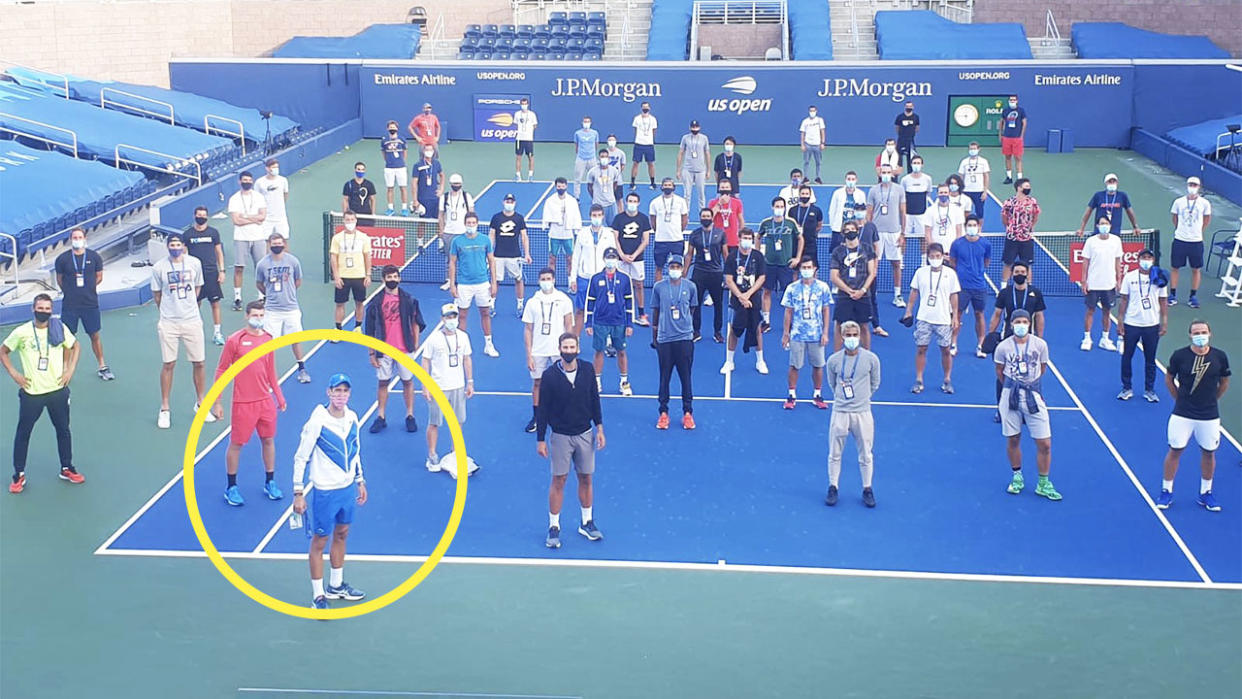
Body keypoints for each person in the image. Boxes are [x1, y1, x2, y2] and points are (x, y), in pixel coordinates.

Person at [291, 373, 369, 610]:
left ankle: (336, 585)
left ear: (349, 394)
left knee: (342, 533)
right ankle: (318, 596)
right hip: (325, 492)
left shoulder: (353, 417)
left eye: (345, 391)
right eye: (337, 391)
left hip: (346, 490)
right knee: (320, 541)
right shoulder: (317, 422)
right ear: (329, 393)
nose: (341, 396)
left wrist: (360, 480)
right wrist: (298, 492)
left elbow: (355, 451)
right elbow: (301, 457)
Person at [2, 294, 84, 493]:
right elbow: (3, 351)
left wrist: (70, 369)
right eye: (41, 308)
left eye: (48, 309)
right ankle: (18, 474)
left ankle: (66, 468)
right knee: (24, 433)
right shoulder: (22, 332)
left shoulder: (58, 328)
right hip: (32, 393)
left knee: (63, 430)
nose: (44, 312)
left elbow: (75, 346)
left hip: (57, 391)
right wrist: (15, 374)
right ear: (33, 309)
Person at [212, 300, 287, 506]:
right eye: (255, 315)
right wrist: (217, 402)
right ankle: (231, 487)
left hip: (265, 401)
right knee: (236, 444)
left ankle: (270, 482)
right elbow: (221, 370)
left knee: (268, 440)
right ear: (247, 316)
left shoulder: (269, 339)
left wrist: (279, 397)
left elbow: (270, 371)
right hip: (243, 403)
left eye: (262, 316)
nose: (259, 319)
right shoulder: (234, 340)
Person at [536, 333, 606, 548]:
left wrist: (600, 428)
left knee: (586, 478)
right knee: (559, 481)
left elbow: (594, 399)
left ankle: (587, 522)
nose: (568, 351)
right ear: (560, 349)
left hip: (585, 434)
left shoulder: (587, 370)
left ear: (577, 348)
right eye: (565, 347)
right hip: (560, 437)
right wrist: (541, 439)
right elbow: (543, 409)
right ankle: (554, 526)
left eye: (572, 347)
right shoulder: (549, 376)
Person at [1157, 320, 1230, 512]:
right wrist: (1179, 399)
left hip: (1209, 416)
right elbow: (1169, 379)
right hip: (1182, 414)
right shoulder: (1179, 356)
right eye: (1196, 332)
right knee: (1175, 451)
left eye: (1203, 331)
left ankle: (1206, 493)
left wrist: (1213, 400)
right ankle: (1166, 491)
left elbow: (1224, 382)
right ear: (1190, 335)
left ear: (1210, 334)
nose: (1200, 335)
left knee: (1208, 453)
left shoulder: (1220, 357)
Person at [994, 310, 1059, 500]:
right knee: (1013, 439)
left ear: (1029, 324)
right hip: (1010, 396)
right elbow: (999, 371)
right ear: (1012, 324)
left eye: (1024, 321)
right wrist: (1014, 385)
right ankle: (1017, 477)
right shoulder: (1003, 347)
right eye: (1017, 322)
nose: (1021, 325)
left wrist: (1029, 385)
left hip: (1033, 395)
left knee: (1045, 443)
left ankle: (1043, 483)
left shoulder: (1040, 345)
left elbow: (1042, 368)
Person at [151, 233, 210, 429]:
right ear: (168, 247)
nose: (175, 247)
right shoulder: (159, 268)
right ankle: (165, 408)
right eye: (172, 244)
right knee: (169, 364)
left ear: (183, 246)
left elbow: (198, 287)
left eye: (178, 244)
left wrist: (188, 306)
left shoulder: (195, 263)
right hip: (169, 322)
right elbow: (157, 294)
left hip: (192, 320)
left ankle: (201, 403)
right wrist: (168, 311)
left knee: (199, 362)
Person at [824, 320, 881, 508]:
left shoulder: (871, 359)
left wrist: (862, 399)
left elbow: (875, 383)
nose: (851, 338)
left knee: (866, 453)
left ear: (860, 336)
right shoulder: (833, 361)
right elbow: (832, 384)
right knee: (834, 453)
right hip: (840, 412)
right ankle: (833, 486)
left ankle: (867, 488)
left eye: (854, 335)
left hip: (863, 413)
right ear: (842, 337)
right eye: (847, 335)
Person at [363, 265, 426, 434]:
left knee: (407, 381)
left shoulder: (409, 299)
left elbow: (416, 321)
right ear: (383, 280)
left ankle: (410, 416)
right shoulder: (376, 302)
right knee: (383, 382)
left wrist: (416, 342)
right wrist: (371, 353)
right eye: (389, 277)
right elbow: (369, 330)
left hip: (405, 348)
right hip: (383, 350)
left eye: (395, 277)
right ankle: (381, 416)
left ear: (399, 278)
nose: (392, 280)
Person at [420, 304, 478, 478]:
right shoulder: (433, 339)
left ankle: (455, 452)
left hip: (458, 386)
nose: (451, 320)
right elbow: (425, 361)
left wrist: (470, 382)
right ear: (442, 319)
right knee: (435, 422)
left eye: (454, 317)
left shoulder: (464, 337)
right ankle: (432, 455)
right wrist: (425, 386)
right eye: (448, 317)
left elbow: (467, 359)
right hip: (439, 387)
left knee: (458, 422)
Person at [987, 260, 1047, 422]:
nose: (1020, 275)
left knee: (1030, 375)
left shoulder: (1035, 293)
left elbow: (1040, 316)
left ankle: (1030, 407)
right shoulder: (1005, 293)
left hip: (1029, 341)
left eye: (1022, 272)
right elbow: (997, 315)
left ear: (1027, 274)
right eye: (1016, 272)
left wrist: (1039, 339)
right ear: (1012, 274)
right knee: (1004, 374)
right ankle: (1001, 409)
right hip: (1008, 339)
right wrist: (991, 334)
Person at [902, 242, 961, 394]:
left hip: (943, 319)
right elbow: (914, 293)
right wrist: (908, 310)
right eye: (932, 256)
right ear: (928, 257)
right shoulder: (920, 273)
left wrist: (955, 316)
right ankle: (919, 379)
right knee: (921, 348)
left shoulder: (950, 274)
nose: (935, 259)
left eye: (938, 256)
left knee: (946, 350)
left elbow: (953, 296)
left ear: (942, 256)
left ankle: (947, 380)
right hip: (924, 318)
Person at [54, 228, 112, 380]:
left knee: (94, 335)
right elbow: (60, 280)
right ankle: (64, 368)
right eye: (75, 237)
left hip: (90, 303)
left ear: (85, 238)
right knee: (67, 337)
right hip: (70, 305)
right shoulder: (62, 259)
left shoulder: (94, 257)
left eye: (80, 237)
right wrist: (70, 290)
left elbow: (99, 277)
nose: (77, 239)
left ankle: (102, 365)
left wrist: (88, 288)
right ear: (70, 239)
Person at [255, 232, 311, 383]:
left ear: (284, 244)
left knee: (296, 339)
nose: (277, 246)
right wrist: (270, 295)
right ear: (269, 245)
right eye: (274, 244)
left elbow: (297, 280)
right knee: (268, 344)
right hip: (272, 310)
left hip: (291, 308)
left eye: (280, 244)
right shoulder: (262, 264)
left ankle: (302, 369)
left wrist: (289, 293)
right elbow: (259, 283)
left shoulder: (293, 261)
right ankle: (267, 374)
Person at [523, 268, 575, 433]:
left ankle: (563, 414)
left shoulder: (564, 300)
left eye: (548, 278)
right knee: (537, 383)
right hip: (538, 350)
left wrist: (570, 350)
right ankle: (537, 417)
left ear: (554, 280)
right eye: (543, 279)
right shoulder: (532, 302)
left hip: (558, 349)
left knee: (563, 383)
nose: (546, 281)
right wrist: (529, 354)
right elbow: (528, 330)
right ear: (539, 281)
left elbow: (569, 325)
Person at [650, 254, 698, 430]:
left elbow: (692, 309)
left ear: (682, 268)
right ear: (668, 268)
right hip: (665, 340)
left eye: (678, 267)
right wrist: (654, 336)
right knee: (664, 378)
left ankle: (688, 413)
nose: (675, 270)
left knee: (686, 378)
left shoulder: (691, 287)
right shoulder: (658, 287)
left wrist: (684, 325)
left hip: (684, 339)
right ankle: (663, 413)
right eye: (672, 267)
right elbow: (655, 312)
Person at [1116, 249, 1169, 402]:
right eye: (1143, 257)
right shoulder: (1130, 277)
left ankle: (1149, 390)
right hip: (1132, 323)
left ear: (1153, 260)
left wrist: (1164, 322)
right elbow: (1124, 300)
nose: (1146, 260)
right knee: (1127, 357)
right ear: (1138, 259)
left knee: (1150, 359)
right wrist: (1120, 321)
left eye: (1149, 257)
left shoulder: (1159, 277)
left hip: (1151, 324)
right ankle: (1126, 387)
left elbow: (1163, 301)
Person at [781, 256, 833, 410]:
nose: (806, 270)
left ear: (815, 269)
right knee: (794, 365)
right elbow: (788, 312)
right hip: (797, 334)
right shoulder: (792, 288)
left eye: (809, 267)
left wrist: (825, 333)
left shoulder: (823, 287)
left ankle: (817, 394)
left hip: (816, 334)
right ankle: (791, 395)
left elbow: (826, 310)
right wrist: (786, 333)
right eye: (804, 268)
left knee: (818, 365)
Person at [448, 212, 499, 358]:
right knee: (462, 315)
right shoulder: (457, 242)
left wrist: (493, 283)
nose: (471, 225)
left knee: (485, 313)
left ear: (477, 224)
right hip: (464, 285)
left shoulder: (485, 240)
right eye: (468, 223)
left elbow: (491, 261)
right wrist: (452, 284)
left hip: (482, 283)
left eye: (473, 223)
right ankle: (461, 347)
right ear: (465, 224)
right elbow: (452, 263)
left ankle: (489, 345)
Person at [586, 249, 636, 396]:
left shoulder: (625, 278)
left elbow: (629, 301)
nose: (611, 260)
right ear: (604, 259)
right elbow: (590, 301)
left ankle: (624, 382)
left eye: (613, 257)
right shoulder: (595, 278)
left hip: (619, 321)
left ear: (617, 260)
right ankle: (596, 382)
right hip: (600, 321)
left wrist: (629, 324)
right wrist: (588, 324)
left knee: (621, 352)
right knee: (599, 351)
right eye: (609, 257)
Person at [721, 228, 768, 375]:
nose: (747, 240)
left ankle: (760, 361)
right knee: (734, 330)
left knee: (756, 329)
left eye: (749, 238)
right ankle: (729, 361)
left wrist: (748, 294)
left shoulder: (758, 256)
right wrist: (741, 296)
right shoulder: (732, 257)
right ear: (739, 238)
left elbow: (762, 278)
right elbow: (728, 279)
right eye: (744, 237)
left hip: (753, 299)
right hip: (736, 300)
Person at [569, 205, 618, 336]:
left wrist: (613, 276)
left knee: (606, 310)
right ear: (590, 216)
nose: (596, 218)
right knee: (580, 310)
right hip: (584, 277)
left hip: (603, 277)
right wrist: (573, 278)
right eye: (594, 215)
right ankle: (575, 340)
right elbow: (576, 257)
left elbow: (613, 257)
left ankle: (607, 340)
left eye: (599, 215)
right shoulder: (582, 233)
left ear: (603, 216)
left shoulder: (609, 234)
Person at [948, 216, 992, 358]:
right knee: (957, 314)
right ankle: (953, 343)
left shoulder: (985, 244)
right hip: (962, 287)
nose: (972, 227)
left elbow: (986, 262)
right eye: (969, 224)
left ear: (978, 226)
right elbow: (953, 262)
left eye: (974, 224)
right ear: (966, 226)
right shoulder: (957, 244)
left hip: (979, 286)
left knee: (979, 314)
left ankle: (981, 345)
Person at [758, 197, 802, 334]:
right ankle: (766, 321)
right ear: (772, 207)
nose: (779, 208)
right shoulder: (765, 223)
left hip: (785, 265)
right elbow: (758, 237)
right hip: (769, 264)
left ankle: (792, 323)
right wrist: (759, 254)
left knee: (789, 294)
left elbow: (800, 238)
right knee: (766, 292)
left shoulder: (790, 223)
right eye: (777, 206)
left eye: (781, 206)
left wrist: (798, 258)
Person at [830, 220, 876, 351]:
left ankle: (867, 356)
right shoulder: (838, 251)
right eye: (847, 230)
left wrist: (862, 290)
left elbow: (872, 273)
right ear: (843, 233)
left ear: (857, 231)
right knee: (839, 325)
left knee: (864, 326)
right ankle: (836, 357)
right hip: (844, 295)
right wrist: (849, 291)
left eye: (852, 229)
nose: (850, 232)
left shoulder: (867, 249)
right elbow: (834, 276)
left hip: (863, 295)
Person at [1079, 215, 1123, 352]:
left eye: (1106, 223)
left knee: (1107, 312)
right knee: (1090, 311)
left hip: (1109, 284)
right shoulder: (1091, 242)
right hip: (1093, 284)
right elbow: (1085, 262)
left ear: (1110, 225)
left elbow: (1118, 262)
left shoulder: (1116, 241)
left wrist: (1118, 280)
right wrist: (1084, 281)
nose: (1104, 226)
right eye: (1101, 223)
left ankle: (1105, 338)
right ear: (1097, 226)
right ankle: (1087, 338)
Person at [1168, 176, 1212, 308]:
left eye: (1195, 185)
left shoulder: (1205, 203)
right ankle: (1173, 294)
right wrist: (1180, 230)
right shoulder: (1178, 202)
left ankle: (1193, 296)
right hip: (1180, 240)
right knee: (1175, 267)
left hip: (1196, 241)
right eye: (1190, 184)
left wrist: (1198, 231)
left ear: (1199, 187)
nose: (1192, 187)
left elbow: (1207, 219)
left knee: (1196, 269)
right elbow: (1174, 218)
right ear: (1187, 185)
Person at [866, 165, 907, 308]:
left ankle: (897, 295)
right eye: (883, 172)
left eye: (888, 172)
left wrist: (903, 233)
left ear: (892, 174)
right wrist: (868, 233)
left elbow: (903, 212)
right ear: (879, 173)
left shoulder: (899, 189)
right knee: (873, 264)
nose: (886, 175)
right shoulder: (873, 190)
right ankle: (872, 292)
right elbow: (869, 213)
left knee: (896, 264)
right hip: (877, 233)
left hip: (894, 232)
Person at [186, 206, 227, 345]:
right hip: (195, 275)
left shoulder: (213, 233)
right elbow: (185, 256)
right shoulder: (188, 235)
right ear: (194, 216)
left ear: (207, 217)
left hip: (211, 273)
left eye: (204, 215)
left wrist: (221, 271)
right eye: (199, 215)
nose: (201, 217)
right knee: (195, 303)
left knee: (215, 303)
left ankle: (217, 333)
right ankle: (194, 333)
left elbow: (219, 252)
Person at [228, 171, 267, 311]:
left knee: (261, 268)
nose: (247, 182)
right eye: (244, 180)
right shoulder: (234, 199)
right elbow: (236, 221)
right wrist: (254, 218)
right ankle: (237, 297)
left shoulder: (259, 197)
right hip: (241, 238)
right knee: (239, 267)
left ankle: (262, 296)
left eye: (249, 180)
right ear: (239, 181)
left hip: (258, 237)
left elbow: (262, 217)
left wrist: (245, 216)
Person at [328, 211, 371, 335]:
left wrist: (368, 275)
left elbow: (367, 256)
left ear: (356, 221)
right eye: (347, 220)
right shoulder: (337, 238)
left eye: (352, 220)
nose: (350, 222)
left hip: (359, 276)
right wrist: (336, 276)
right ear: (343, 221)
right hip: (343, 277)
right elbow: (333, 258)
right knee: (340, 303)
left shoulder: (364, 238)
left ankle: (358, 327)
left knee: (359, 302)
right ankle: (338, 329)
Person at [688, 208, 726, 343]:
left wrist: (728, 274)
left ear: (712, 218)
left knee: (718, 304)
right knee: (695, 303)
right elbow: (689, 254)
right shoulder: (694, 234)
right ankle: (696, 331)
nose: (706, 218)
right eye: (703, 216)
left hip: (716, 273)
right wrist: (684, 273)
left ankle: (717, 332)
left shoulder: (720, 233)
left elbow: (725, 254)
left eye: (708, 216)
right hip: (699, 272)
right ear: (700, 218)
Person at [489, 193, 531, 317]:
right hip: (498, 256)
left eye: (511, 201)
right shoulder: (496, 218)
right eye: (507, 201)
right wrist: (489, 252)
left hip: (514, 256)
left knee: (518, 279)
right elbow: (491, 235)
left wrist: (527, 254)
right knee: (495, 280)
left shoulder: (519, 218)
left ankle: (520, 305)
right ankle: (491, 305)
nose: (509, 203)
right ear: (503, 202)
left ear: (515, 203)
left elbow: (524, 237)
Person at [612, 192, 651, 324]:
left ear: (638, 203)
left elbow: (646, 240)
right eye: (630, 201)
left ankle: (641, 314)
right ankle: (619, 312)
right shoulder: (618, 218)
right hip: (620, 258)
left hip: (637, 259)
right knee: (619, 285)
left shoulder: (644, 219)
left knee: (639, 285)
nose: (632, 203)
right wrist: (622, 255)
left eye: (634, 201)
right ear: (626, 202)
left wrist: (634, 255)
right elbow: (615, 238)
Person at [648, 177, 688, 289]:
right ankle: (658, 290)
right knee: (658, 267)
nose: (667, 187)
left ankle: (678, 289)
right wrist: (659, 232)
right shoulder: (655, 202)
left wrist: (678, 231)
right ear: (661, 187)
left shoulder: (681, 201)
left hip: (677, 240)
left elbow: (684, 219)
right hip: (660, 241)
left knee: (678, 266)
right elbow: (652, 220)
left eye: (670, 185)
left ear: (674, 187)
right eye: (665, 185)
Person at [438, 173, 475, 290]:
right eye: (454, 184)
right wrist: (441, 231)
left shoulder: (466, 196)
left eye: (458, 184)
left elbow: (471, 213)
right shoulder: (444, 198)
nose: (456, 185)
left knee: (466, 257)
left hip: (463, 232)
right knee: (449, 258)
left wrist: (471, 230)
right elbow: (440, 215)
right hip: (449, 232)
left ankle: (466, 279)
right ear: (451, 184)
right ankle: (450, 281)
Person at [1000, 177, 1039, 285]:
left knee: (1027, 264)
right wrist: (1009, 228)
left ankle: (1029, 286)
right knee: (1008, 263)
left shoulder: (1032, 202)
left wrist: (1031, 227)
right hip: (1012, 238)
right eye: (1026, 187)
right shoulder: (1009, 202)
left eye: (1029, 187)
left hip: (1026, 238)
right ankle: (1003, 287)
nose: (1028, 188)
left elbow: (1036, 215)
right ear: (1019, 188)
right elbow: (1004, 216)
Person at [543, 178, 582, 282]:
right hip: (554, 234)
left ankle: (571, 281)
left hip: (568, 234)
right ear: (556, 187)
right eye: (559, 186)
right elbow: (546, 215)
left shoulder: (572, 200)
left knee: (570, 259)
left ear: (566, 186)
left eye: (563, 186)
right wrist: (546, 225)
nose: (561, 188)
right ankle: (551, 282)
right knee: (552, 259)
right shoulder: (550, 200)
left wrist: (576, 229)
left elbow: (576, 215)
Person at [1078, 173, 1139, 238]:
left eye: (1114, 181)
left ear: (1117, 183)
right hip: (1099, 233)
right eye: (1110, 181)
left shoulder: (1122, 196)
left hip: (1115, 234)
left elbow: (1130, 212)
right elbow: (1088, 212)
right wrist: (1082, 228)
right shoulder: (1098, 195)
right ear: (1106, 183)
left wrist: (1135, 227)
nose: (1112, 183)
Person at [900, 154, 933, 259]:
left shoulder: (927, 179)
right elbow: (902, 196)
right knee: (903, 236)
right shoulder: (905, 180)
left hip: (922, 214)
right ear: (911, 164)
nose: (916, 165)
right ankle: (901, 260)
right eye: (914, 163)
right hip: (908, 215)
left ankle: (923, 260)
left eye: (918, 163)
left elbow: (928, 193)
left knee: (923, 238)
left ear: (922, 165)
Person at [677, 120, 711, 216]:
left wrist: (708, 170)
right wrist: (678, 170)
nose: (694, 129)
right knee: (687, 194)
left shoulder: (704, 138)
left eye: (696, 127)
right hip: (687, 169)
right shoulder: (685, 138)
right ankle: (685, 214)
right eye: (693, 127)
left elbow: (707, 153)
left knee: (701, 193)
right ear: (690, 128)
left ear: (699, 128)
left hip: (700, 170)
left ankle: (703, 213)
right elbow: (680, 153)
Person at [826, 171, 866, 252]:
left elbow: (863, 211)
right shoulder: (837, 193)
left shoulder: (861, 194)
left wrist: (860, 225)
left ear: (856, 180)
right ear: (845, 180)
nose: (851, 181)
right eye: (849, 179)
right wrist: (834, 226)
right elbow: (832, 210)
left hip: (854, 229)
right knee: (837, 252)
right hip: (839, 229)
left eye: (853, 179)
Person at [924, 183, 963, 261]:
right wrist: (935, 250)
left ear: (949, 193)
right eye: (941, 192)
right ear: (937, 194)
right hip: (936, 254)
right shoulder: (930, 210)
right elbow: (927, 233)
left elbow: (959, 232)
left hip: (952, 251)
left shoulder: (957, 210)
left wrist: (954, 250)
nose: (943, 194)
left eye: (945, 192)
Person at [379, 120, 409, 216]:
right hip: (389, 168)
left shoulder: (402, 139)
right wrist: (388, 161)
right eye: (390, 127)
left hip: (401, 168)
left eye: (394, 127)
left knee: (403, 188)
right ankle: (390, 208)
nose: (392, 129)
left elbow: (404, 152)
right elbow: (383, 153)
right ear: (388, 128)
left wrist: (401, 162)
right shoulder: (384, 140)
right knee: (390, 188)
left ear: (397, 128)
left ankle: (404, 208)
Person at [707, 180, 744, 254]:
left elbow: (741, 220)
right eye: (722, 187)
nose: (724, 189)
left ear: (730, 188)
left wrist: (740, 236)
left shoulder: (737, 202)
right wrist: (718, 204)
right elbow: (709, 218)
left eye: (727, 187)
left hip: (732, 239)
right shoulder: (713, 202)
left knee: (731, 262)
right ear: (719, 189)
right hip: (717, 238)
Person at [791, 185, 824, 267]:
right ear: (799, 194)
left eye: (807, 194)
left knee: (813, 268)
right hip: (795, 244)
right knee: (794, 269)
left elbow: (819, 226)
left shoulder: (816, 210)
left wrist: (812, 233)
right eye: (803, 193)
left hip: (810, 245)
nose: (805, 196)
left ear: (810, 195)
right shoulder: (792, 210)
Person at [258, 158, 290, 238]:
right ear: (267, 168)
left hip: (281, 217)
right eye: (273, 167)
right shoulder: (260, 182)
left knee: (284, 239)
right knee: (266, 240)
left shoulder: (283, 180)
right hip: (266, 217)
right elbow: (257, 198)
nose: (276, 169)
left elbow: (285, 194)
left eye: (277, 167)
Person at [956, 142, 991, 217]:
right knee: (964, 211)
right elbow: (960, 177)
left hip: (979, 191)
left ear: (978, 149)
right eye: (971, 149)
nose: (972, 150)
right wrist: (960, 190)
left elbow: (986, 177)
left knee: (980, 212)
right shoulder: (964, 162)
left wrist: (985, 191)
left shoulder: (983, 161)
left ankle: (979, 228)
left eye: (974, 149)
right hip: (966, 190)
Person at [999, 95, 1027, 184]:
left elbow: (1024, 123)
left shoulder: (1021, 111)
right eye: (1011, 100)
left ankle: (1019, 179)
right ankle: (1009, 177)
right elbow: (1001, 122)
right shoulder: (1005, 111)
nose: (1012, 101)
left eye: (1014, 100)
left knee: (1018, 158)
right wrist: (1000, 134)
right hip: (1007, 137)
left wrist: (1021, 135)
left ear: (1017, 101)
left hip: (1017, 138)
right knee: (1007, 157)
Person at [586, 148, 620, 222]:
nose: (604, 158)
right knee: (597, 224)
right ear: (599, 158)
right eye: (602, 156)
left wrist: (610, 194)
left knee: (613, 225)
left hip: (611, 203)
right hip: (598, 204)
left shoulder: (614, 171)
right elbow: (589, 187)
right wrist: (595, 197)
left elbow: (615, 184)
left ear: (608, 158)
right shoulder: (592, 172)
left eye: (606, 157)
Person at [630, 101, 658, 190]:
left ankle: (653, 182)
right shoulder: (637, 119)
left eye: (647, 107)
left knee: (651, 164)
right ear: (641, 108)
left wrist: (651, 140)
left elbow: (654, 131)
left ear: (649, 108)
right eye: (644, 107)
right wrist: (639, 138)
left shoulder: (653, 119)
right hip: (638, 144)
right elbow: (635, 130)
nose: (645, 108)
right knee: (635, 163)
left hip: (649, 144)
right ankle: (632, 182)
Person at [572, 116, 600, 199]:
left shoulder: (595, 133)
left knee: (595, 179)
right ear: (582, 123)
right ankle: (576, 197)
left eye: (588, 121)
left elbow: (596, 144)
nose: (586, 123)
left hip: (592, 159)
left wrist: (592, 153)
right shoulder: (577, 133)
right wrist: (580, 154)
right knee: (577, 179)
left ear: (590, 123)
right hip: (580, 159)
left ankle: (596, 196)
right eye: (585, 121)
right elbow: (576, 145)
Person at [413, 146, 443, 219]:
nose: (429, 151)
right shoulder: (417, 165)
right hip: (423, 198)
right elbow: (414, 183)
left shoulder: (436, 163)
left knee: (437, 221)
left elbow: (442, 175)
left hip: (435, 198)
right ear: (423, 151)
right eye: (427, 150)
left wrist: (441, 189)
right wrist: (415, 200)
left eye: (431, 149)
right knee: (422, 222)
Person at [513, 97, 538, 181]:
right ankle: (518, 175)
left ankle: (530, 175)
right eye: (522, 104)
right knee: (518, 157)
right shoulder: (517, 114)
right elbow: (515, 124)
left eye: (525, 104)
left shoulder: (532, 114)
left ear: (528, 104)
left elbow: (535, 125)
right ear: (520, 104)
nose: (524, 105)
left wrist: (528, 132)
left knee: (530, 157)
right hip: (519, 139)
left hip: (529, 140)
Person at [799, 105, 826, 183]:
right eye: (811, 111)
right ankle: (805, 177)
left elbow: (822, 131)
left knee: (818, 162)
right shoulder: (805, 121)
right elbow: (802, 133)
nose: (812, 112)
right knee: (806, 161)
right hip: (808, 144)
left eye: (813, 111)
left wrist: (822, 143)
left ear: (816, 111)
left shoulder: (820, 120)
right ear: (809, 111)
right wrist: (802, 144)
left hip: (817, 144)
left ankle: (818, 177)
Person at [894, 101, 920, 169]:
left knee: (911, 157)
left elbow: (917, 128)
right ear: (905, 107)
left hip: (910, 140)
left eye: (910, 106)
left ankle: (910, 172)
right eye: (907, 106)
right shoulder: (900, 117)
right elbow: (897, 127)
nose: (909, 108)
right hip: (901, 140)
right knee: (898, 158)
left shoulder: (916, 117)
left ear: (913, 107)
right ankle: (897, 172)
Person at [604, 134, 627, 199]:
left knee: (619, 199)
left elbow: (623, 165)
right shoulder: (604, 153)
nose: (611, 141)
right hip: (606, 180)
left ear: (616, 141)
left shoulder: (621, 153)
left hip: (618, 180)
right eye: (610, 140)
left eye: (613, 140)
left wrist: (617, 173)